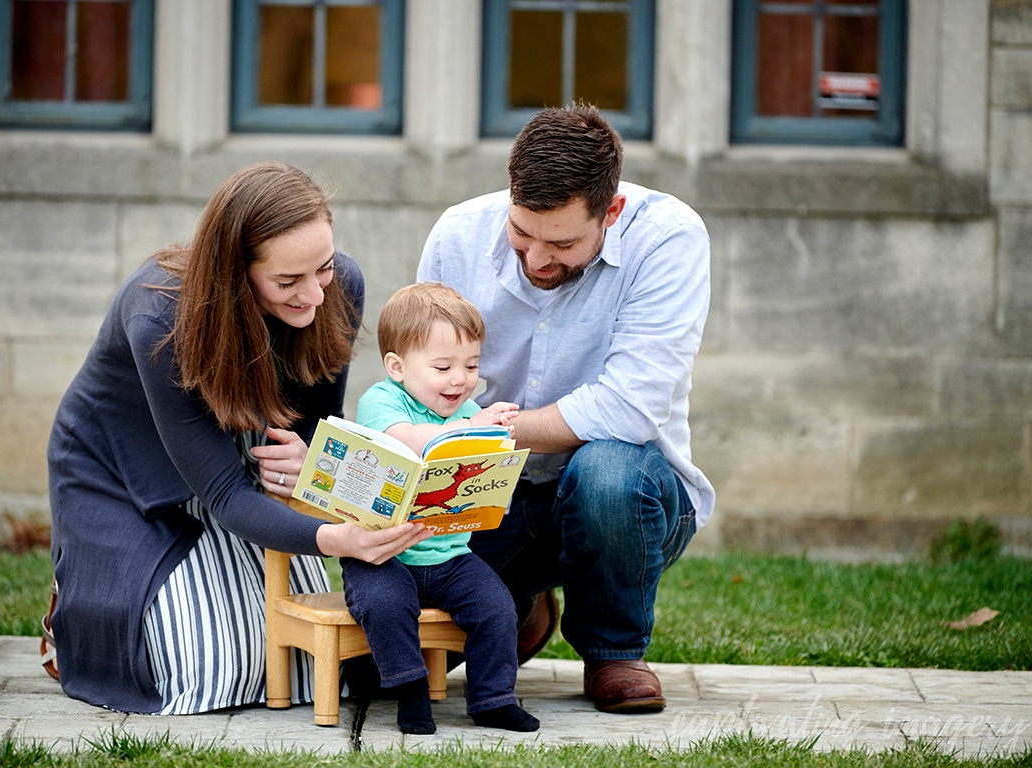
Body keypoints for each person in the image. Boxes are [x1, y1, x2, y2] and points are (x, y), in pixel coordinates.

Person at [44, 161, 432, 715]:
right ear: (235, 272)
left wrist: (314, 459)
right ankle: (76, 616)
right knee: (213, 667)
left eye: (320, 269)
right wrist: (337, 539)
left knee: (315, 659)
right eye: (287, 282)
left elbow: (317, 426)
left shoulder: (338, 285)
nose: (316, 297)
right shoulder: (160, 315)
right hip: (124, 471)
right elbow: (225, 495)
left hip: (239, 465)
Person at [416, 103, 715, 713]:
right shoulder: (456, 235)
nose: (537, 260)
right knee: (381, 667)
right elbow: (419, 373)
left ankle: (614, 654)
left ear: (612, 212)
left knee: (605, 468)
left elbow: (627, 410)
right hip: (487, 491)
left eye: (563, 243)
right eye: (522, 233)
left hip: (632, 496)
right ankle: (520, 605)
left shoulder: (671, 239)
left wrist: (487, 429)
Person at [341, 282, 539, 734]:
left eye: (471, 365)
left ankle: (492, 698)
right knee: (385, 603)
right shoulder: (382, 400)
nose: (460, 379)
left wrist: (495, 443)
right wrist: (470, 427)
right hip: (383, 554)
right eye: (443, 366)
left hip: (450, 554)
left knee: (497, 607)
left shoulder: (465, 408)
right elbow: (405, 440)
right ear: (397, 366)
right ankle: (409, 693)